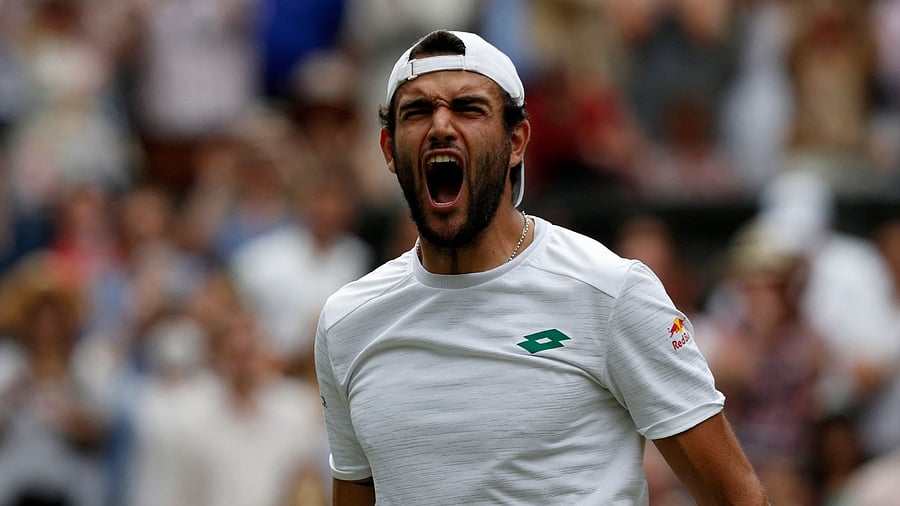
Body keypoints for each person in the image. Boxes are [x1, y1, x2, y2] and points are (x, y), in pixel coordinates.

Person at [314, 29, 768, 505]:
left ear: (516, 141)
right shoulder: (347, 322)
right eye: (418, 111)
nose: (441, 126)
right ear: (389, 149)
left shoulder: (611, 291)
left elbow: (737, 496)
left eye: (468, 108)